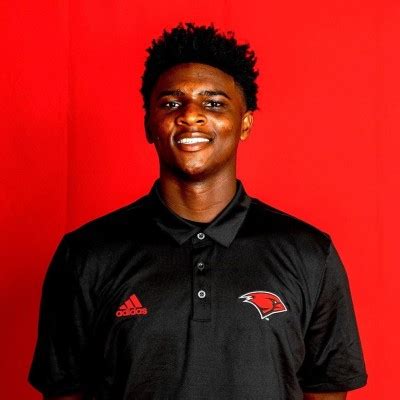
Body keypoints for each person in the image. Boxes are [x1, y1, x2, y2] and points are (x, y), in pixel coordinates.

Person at [29, 23, 367, 400]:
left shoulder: (309, 253)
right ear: (149, 124)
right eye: (171, 103)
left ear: (245, 124)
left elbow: (326, 390)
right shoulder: (86, 254)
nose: (191, 116)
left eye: (214, 103)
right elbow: (65, 391)